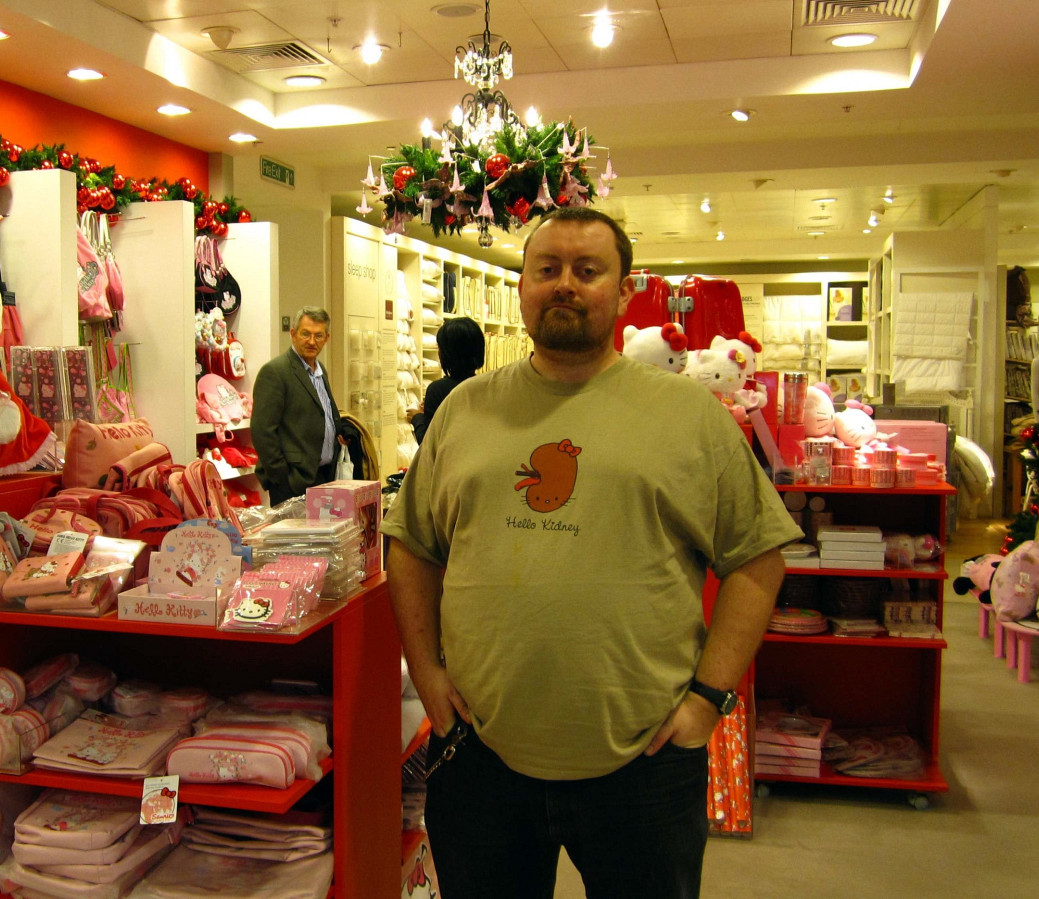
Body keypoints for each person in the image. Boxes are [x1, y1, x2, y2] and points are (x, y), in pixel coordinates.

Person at [381, 207, 801, 899]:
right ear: (523, 286)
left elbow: (757, 558)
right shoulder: (464, 409)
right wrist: (427, 673)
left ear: (625, 290)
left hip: (645, 762)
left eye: (587, 270)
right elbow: (412, 545)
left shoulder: (689, 415)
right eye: (547, 269)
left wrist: (707, 700)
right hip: (481, 756)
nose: (565, 285)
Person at [251, 306, 352, 506]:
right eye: (306, 334)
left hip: (323, 477)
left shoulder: (320, 371)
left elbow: (321, 413)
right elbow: (262, 431)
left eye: (318, 335)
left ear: (327, 338)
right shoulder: (275, 372)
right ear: (293, 334)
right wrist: (282, 477)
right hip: (293, 482)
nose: (312, 341)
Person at [410, 316, 485, 445]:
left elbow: (429, 444)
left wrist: (417, 418)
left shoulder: (438, 390)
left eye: (439, 348)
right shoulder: (486, 386)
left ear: (448, 353)